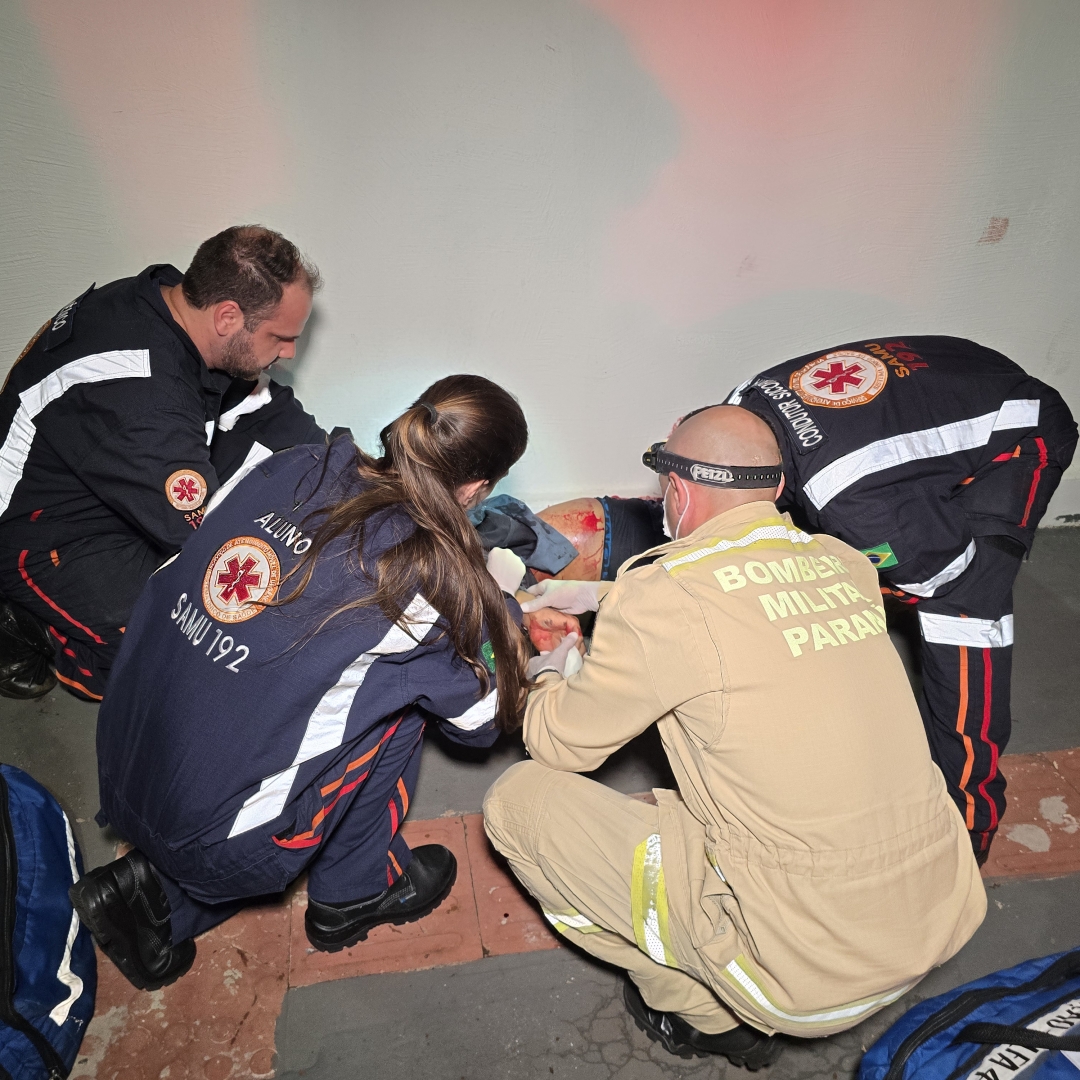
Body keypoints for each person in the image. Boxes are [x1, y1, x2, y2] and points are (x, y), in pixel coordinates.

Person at [485, 405, 986, 1069]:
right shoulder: (844, 563)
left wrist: (549, 667)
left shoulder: (664, 600)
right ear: (776, 489)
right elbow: (747, 605)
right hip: (936, 909)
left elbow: (560, 745)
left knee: (520, 805)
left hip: (804, 969)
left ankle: (709, 1014)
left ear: (679, 491)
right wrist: (603, 598)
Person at [69, 375, 532, 992]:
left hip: (126, 756)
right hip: (218, 842)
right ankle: (355, 893)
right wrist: (505, 623)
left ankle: (157, 896)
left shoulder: (297, 464)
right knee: (404, 703)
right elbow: (479, 723)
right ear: (477, 487)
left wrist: (478, 604)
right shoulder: (425, 579)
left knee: (339, 670)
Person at [534, 336, 1077, 861]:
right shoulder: (739, 414)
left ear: (678, 488)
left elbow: (942, 579)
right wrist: (601, 594)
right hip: (953, 379)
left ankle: (969, 829)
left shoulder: (856, 505)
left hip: (1021, 434)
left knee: (964, 614)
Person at [0, 226, 332, 702]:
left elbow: (268, 410)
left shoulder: (171, 301)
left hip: (103, 479)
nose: (289, 353)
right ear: (228, 316)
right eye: (280, 338)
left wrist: (342, 466)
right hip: (46, 540)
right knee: (194, 642)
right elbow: (211, 543)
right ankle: (35, 629)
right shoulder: (147, 404)